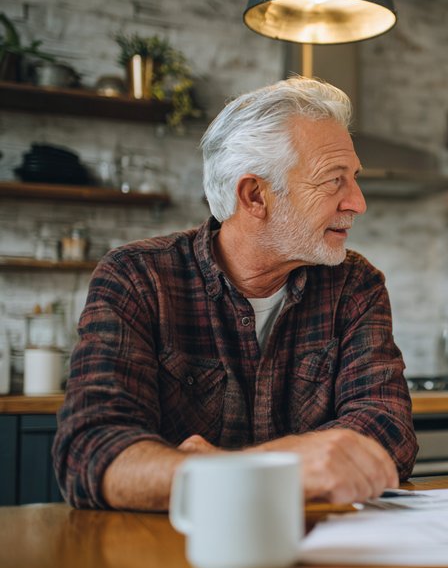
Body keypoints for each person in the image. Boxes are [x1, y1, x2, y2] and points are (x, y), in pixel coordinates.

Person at [53, 77, 418, 511]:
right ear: (254, 195)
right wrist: (271, 469)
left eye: (353, 179)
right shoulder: (137, 277)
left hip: (320, 552)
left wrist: (224, 470)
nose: (357, 202)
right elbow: (91, 452)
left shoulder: (355, 285)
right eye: (333, 181)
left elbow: (388, 430)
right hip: (168, 553)